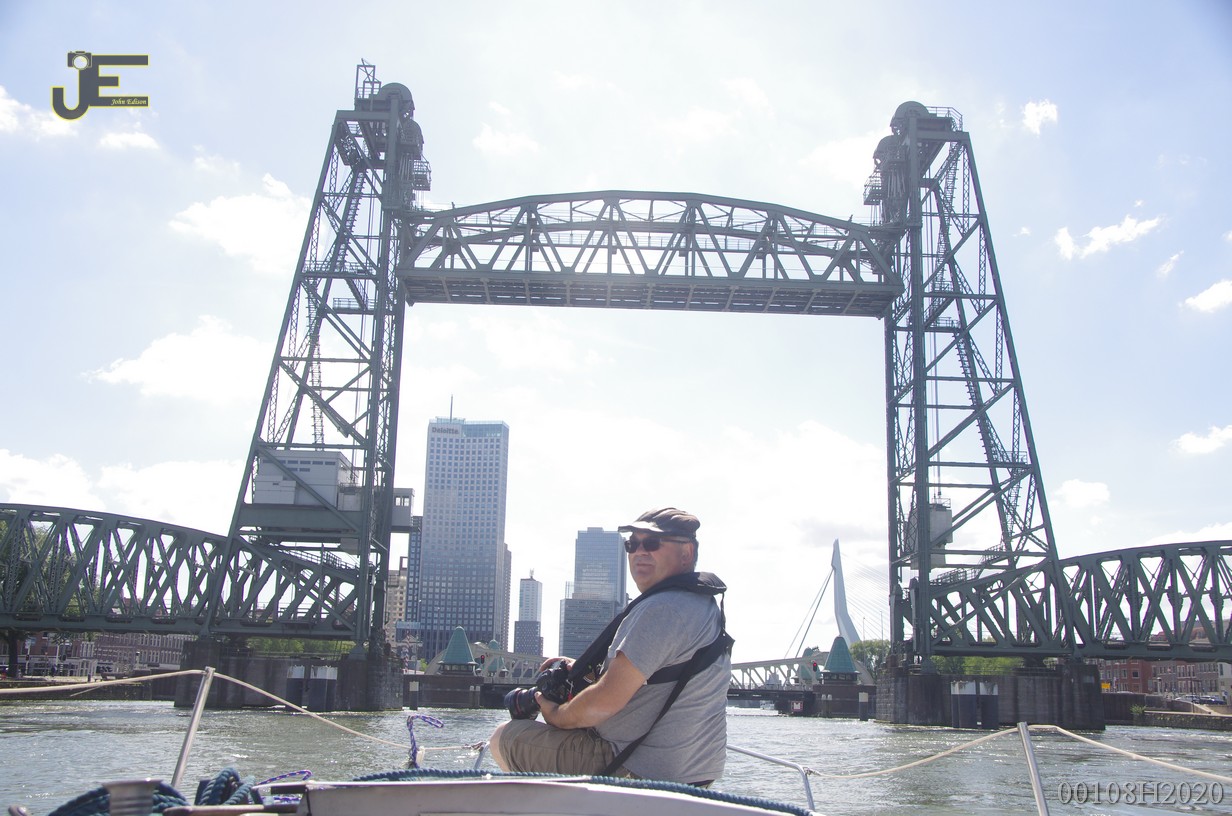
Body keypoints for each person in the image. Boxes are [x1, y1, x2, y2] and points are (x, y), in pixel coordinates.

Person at [488, 506, 732, 786]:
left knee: (505, 737)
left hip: (637, 770)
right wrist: (583, 669)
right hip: (696, 775)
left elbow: (604, 702)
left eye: (652, 543)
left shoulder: (662, 608)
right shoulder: (702, 604)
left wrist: (555, 714)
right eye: (632, 544)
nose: (639, 552)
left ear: (686, 553)